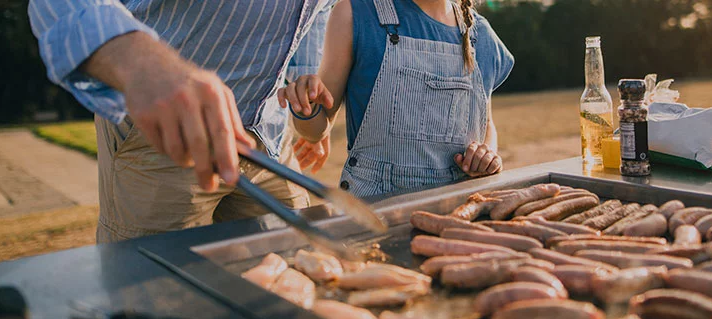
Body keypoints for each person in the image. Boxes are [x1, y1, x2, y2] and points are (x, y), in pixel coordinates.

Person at [28, 0, 334, 242]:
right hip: (163, 134)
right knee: (154, 299)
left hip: (268, 136)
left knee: (292, 278)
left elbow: (315, 14)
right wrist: (141, 64)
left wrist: (302, 90)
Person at [279, 0, 514, 197]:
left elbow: (486, 125)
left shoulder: (481, 35)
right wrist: (305, 106)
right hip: (374, 209)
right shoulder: (354, 13)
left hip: (458, 210)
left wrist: (486, 154)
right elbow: (316, 130)